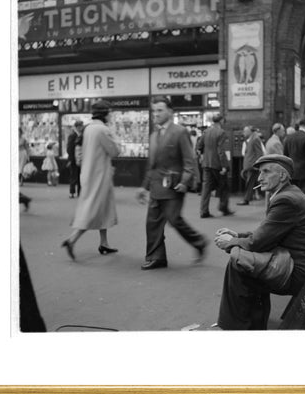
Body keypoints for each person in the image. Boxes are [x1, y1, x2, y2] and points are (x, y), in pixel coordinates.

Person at [214, 154, 305, 330]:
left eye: (266, 172)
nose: (259, 177)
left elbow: (258, 242)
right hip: (297, 262)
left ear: (282, 176)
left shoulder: (285, 200)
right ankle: (248, 324)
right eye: (259, 172)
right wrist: (237, 234)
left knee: (239, 264)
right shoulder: (288, 193)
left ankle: (238, 327)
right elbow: (268, 233)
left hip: (297, 271)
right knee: (245, 262)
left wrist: (230, 242)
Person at [136, 96, 209, 270]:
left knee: (174, 219)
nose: (157, 114)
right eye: (155, 111)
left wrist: (185, 181)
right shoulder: (154, 136)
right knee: (152, 223)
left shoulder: (179, 131)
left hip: (174, 186)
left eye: (160, 110)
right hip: (155, 186)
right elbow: (151, 165)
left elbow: (189, 160)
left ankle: (199, 242)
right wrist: (143, 187)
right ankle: (156, 257)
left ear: (170, 111)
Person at [61, 101, 120, 261]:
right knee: (93, 209)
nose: (111, 115)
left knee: (103, 208)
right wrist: (114, 133)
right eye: (109, 112)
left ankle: (104, 243)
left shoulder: (88, 128)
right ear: (105, 114)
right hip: (99, 175)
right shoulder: (103, 129)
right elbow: (115, 151)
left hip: (89, 173)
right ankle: (72, 240)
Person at [198, 114, 233, 218]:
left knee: (206, 188)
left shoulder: (206, 131)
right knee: (224, 186)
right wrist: (224, 166)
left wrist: (202, 156)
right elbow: (221, 150)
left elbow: (199, 146)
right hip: (217, 164)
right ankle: (223, 207)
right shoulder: (221, 133)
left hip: (206, 163)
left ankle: (203, 211)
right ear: (221, 121)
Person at [283, 116, 305, 203]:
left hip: (292, 172)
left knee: (293, 197)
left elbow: (285, 156)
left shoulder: (289, 138)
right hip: (304, 173)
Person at [237, 126, 264, 206]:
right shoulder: (251, 139)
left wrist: (257, 165)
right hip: (251, 165)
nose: (243, 133)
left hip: (253, 166)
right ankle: (249, 197)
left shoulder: (255, 139)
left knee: (250, 183)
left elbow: (259, 153)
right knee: (252, 182)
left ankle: (246, 199)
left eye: (245, 131)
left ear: (250, 131)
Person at [66, 119, 84, 198]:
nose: (81, 127)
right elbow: (69, 148)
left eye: (82, 126)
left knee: (80, 176)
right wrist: (70, 159)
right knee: (73, 175)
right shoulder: (72, 135)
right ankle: (72, 192)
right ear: (77, 127)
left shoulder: (82, 135)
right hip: (73, 159)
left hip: (80, 158)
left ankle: (80, 192)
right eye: (80, 126)